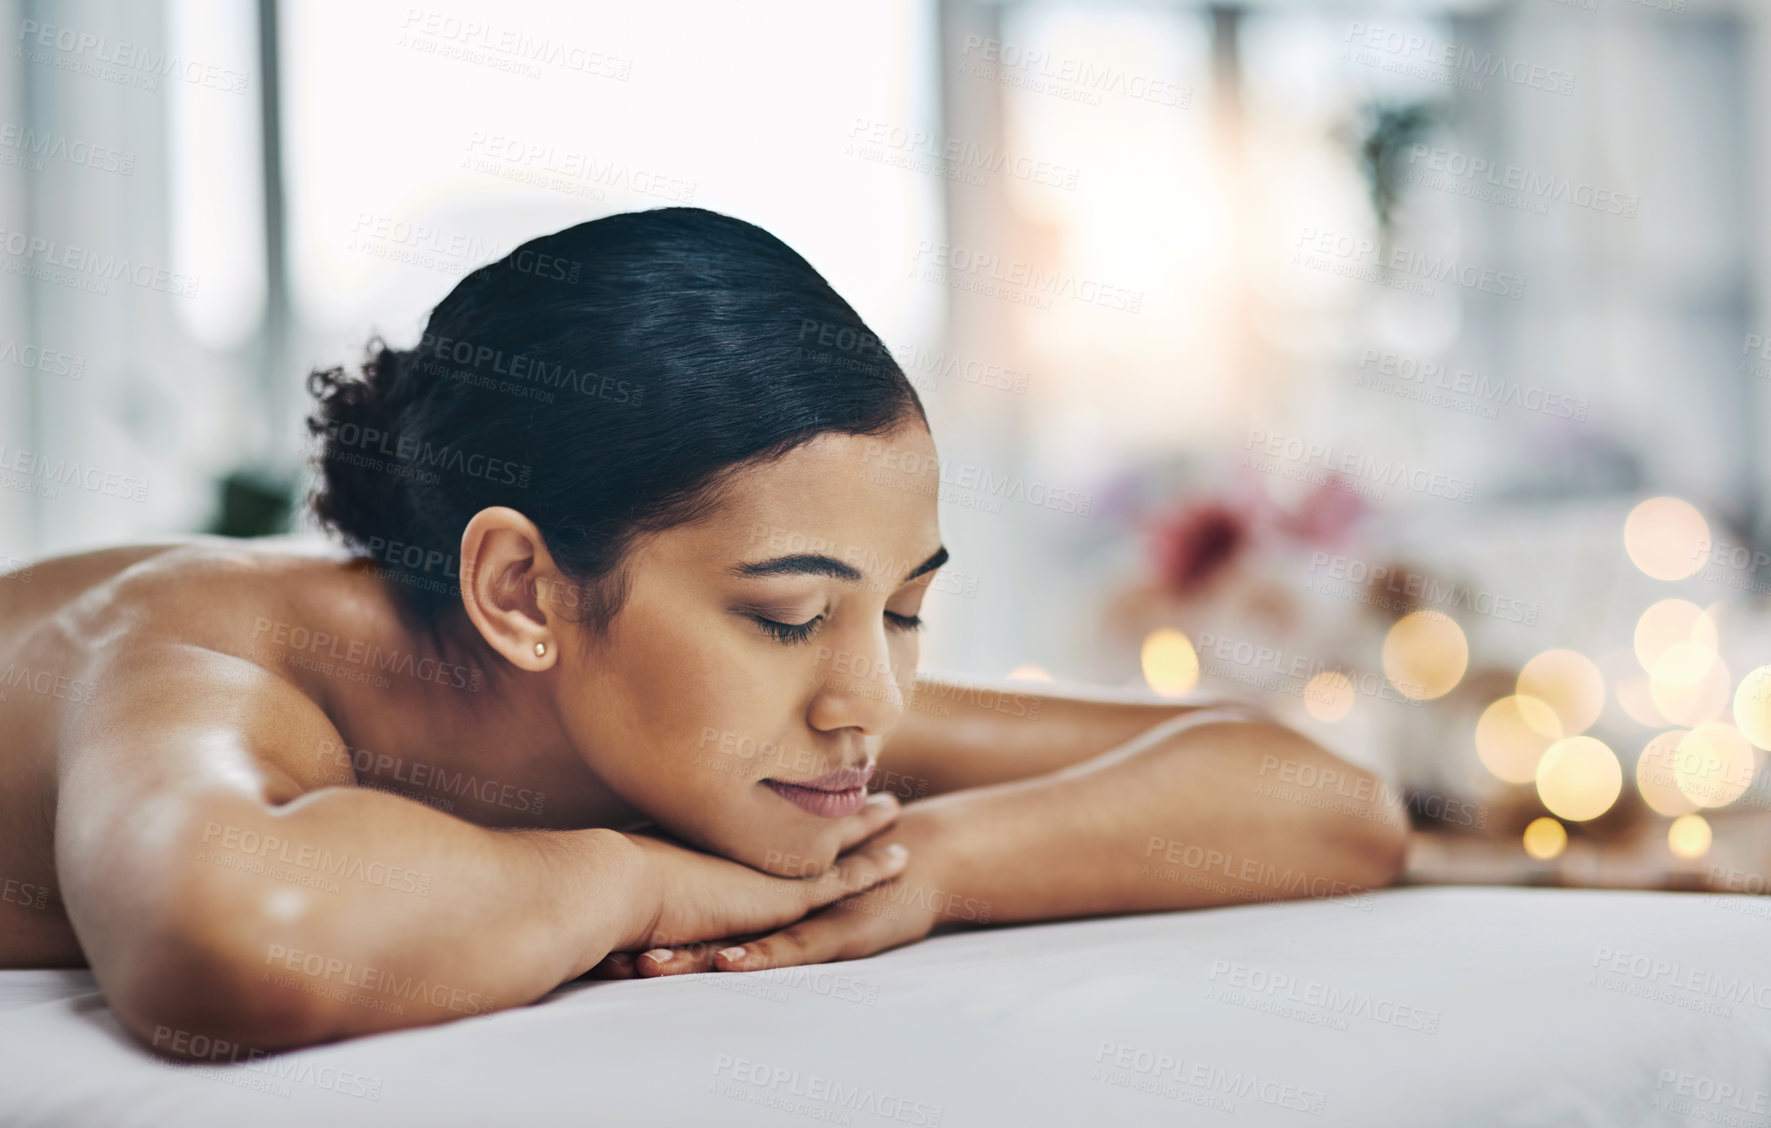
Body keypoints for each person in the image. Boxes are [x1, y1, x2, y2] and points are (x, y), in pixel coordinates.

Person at [0, 207, 1406, 1057]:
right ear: (522, 594)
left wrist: (930, 866)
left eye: (905, 608)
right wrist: (642, 885)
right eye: (789, 617)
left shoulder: (729, 703)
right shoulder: (195, 653)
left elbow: (1325, 802)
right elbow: (240, 934)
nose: (870, 700)